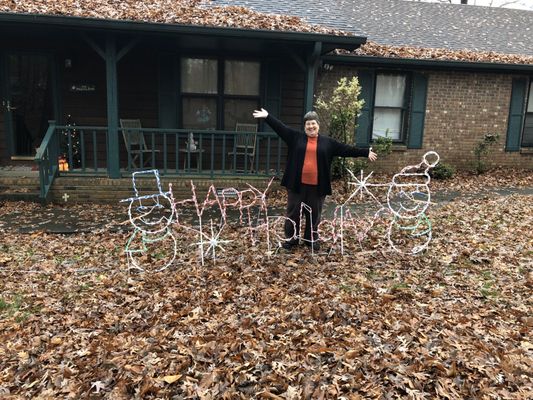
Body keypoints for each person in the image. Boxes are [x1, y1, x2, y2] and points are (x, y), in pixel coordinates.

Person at [253, 108, 377, 251]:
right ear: (304, 126)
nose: (311, 126)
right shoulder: (295, 138)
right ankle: (291, 239)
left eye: (313, 123)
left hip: (317, 187)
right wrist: (268, 116)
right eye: (308, 124)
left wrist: (365, 152)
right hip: (296, 185)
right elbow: (281, 128)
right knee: (293, 213)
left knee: (314, 214)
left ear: (318, 125)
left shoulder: (328, 143)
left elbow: (346, 150)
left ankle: (310, 239)